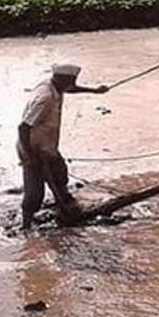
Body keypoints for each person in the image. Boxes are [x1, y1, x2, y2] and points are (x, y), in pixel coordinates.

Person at [18, 63, 110, 230]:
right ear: (62, 79)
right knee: (34, 192)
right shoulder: (45, 98)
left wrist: (94, 91)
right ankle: (25, 227)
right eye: (71, 81)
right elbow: (23, 127)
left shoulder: (55, 86)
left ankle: (63, 207)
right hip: (34, 148)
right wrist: (30, 156)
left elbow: (70, 89)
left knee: (60, 174)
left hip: (47, 146)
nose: (72, 85)